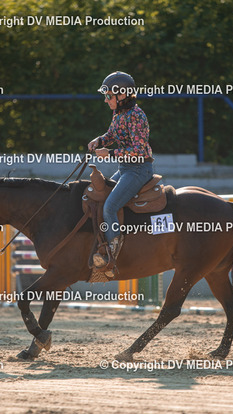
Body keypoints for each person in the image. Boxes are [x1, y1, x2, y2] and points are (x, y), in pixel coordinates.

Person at [87, 71, 154, 269]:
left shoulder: (137, 116)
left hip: (138, 170)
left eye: (109, 96)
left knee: (109, 207)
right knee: (101, 198)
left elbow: (138, 150)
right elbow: (111, 134)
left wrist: (109, 153)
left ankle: (113, 254)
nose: (106, 100)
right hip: (126, 169)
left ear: (122, 95)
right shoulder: (119, 113)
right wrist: (99, 140)